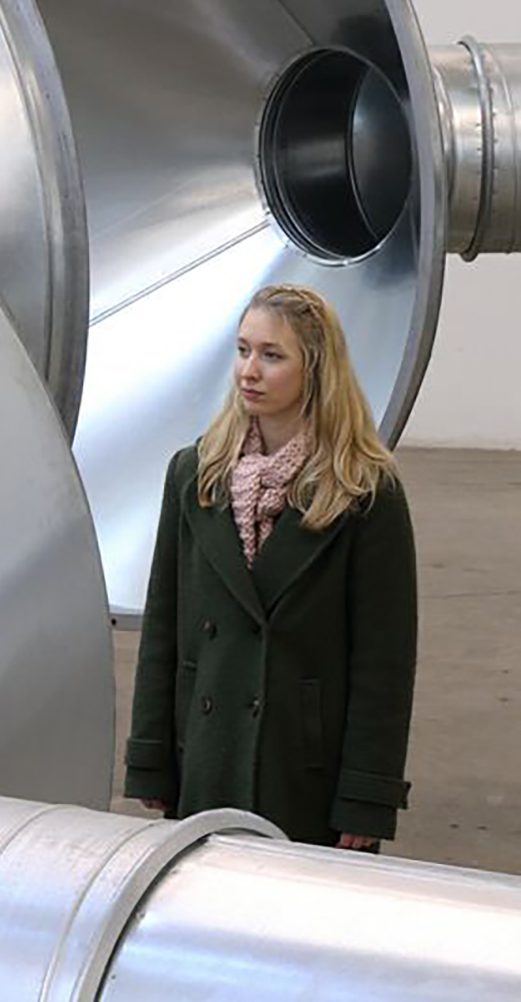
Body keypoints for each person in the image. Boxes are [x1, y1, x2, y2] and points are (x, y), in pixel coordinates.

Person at [123, 283, 417, 849]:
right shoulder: (196, 474)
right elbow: (164, 626)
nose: (248, 371)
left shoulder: (362, 490)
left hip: (306, 772)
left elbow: (384, 663)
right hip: (206, 760)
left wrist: (365, 795)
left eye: (272, 355)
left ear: (316, 369)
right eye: (242, 350)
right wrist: (152, 758)